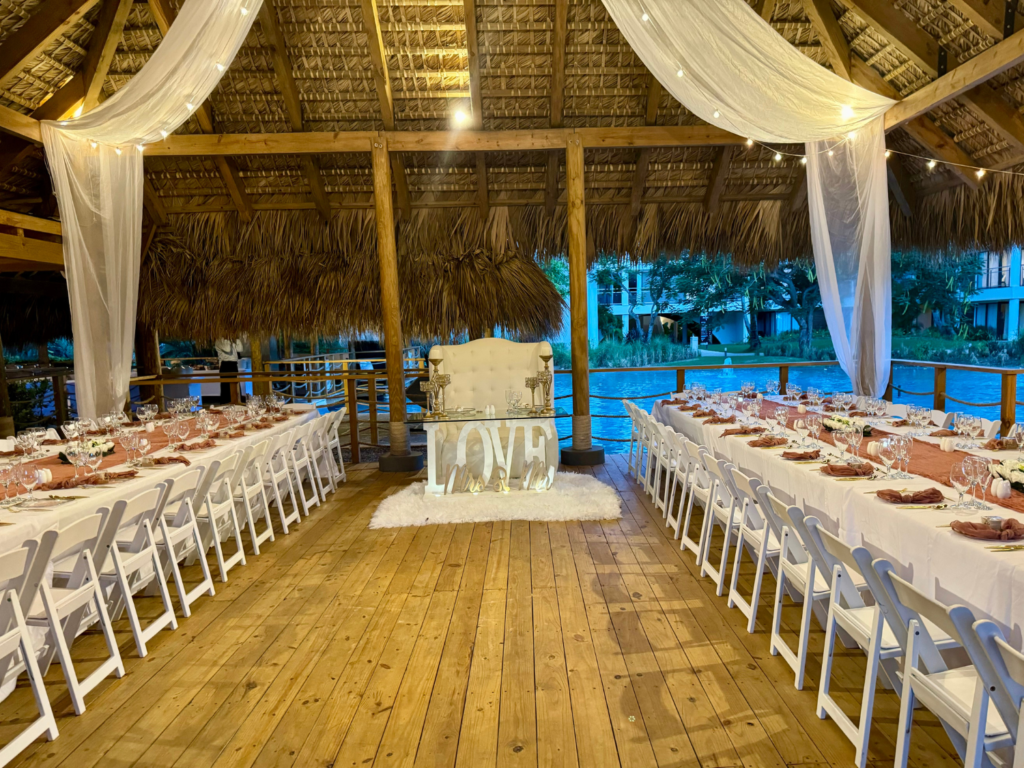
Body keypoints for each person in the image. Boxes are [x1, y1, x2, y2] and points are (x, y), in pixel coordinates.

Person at [215, 338, 242, 403]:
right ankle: (225, 404)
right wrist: (229, 340)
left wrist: (237, 339)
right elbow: (227, 349)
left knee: (235, 385)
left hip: (234, 364)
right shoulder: (219, 340)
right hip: (225, 364)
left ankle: (236, 403)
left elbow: (240, 349)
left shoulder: (232, 340)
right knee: (226, 387)